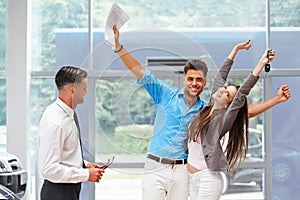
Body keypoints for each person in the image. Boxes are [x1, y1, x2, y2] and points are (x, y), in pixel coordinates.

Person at [112, 26, 290, 200]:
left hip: (189, 173)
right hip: (162, 168)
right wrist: (119, 47)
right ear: (185, 79)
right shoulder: (183, 101)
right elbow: (139, 71)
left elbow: (243, 107)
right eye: (190, 78)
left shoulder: (213, 115)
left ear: (204, 84)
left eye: (199, 80)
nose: (194, 83)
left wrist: (271, 92)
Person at [185, 44, 289, 200]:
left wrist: (261, 64)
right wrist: (235, 50)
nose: (222, 90)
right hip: (191, 177)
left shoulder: (223, 120)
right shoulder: (207, 108)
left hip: (208, 179)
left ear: (229, 105)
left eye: (227, 94)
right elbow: (221, 76)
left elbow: (242, 94)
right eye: (224, 88)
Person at [38, 66, 105, 200]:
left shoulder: (68, 114)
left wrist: (83, 164)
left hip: (68, 191)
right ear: (72, 90)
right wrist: (86, 174)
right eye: (84, 88)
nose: (86, 92)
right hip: (58, 193)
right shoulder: (55, 121)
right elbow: (48, 169)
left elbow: (64, 154)